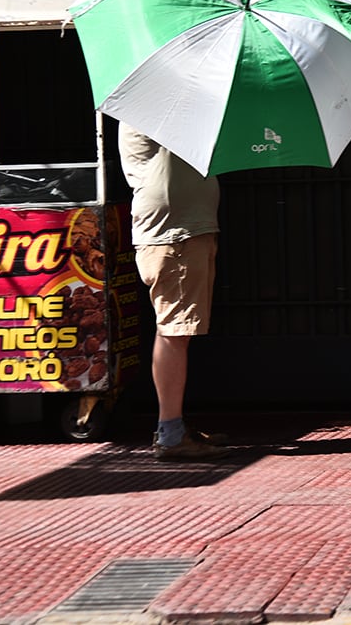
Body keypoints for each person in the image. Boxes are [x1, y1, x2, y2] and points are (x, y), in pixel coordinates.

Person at [118, 123, 227, 461]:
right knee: (174, 331)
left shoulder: (161, 102)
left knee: (177, 330)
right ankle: (170, 433)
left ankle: (174, 428)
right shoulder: (159, 105)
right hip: (175, 232)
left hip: (183, 228)